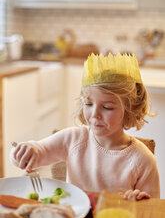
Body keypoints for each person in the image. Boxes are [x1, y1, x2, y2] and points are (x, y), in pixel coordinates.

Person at [10, 53, 160, 200]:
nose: (95, 114)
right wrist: (25, 152)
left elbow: (153, 212)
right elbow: (39, 152)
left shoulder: (143, 161)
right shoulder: (73, 139)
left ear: (129, 110)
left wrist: (139, 202)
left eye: (107, 107)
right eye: (88, 104)